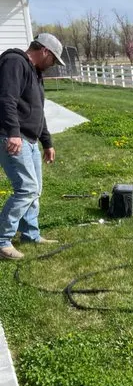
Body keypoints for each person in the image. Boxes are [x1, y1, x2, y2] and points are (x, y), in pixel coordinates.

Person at [0, 33, 65, 261]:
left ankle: (30, 234)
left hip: (30, 140)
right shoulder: (15, 62)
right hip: (13, 138)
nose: (53, 65)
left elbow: (38, 112)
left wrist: (46, 142)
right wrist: (13, 133)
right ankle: (2, 241)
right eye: (54, 60)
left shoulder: (35, 73)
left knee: (34, 191)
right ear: (45, 51)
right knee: (26, 188)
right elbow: (6, 100)